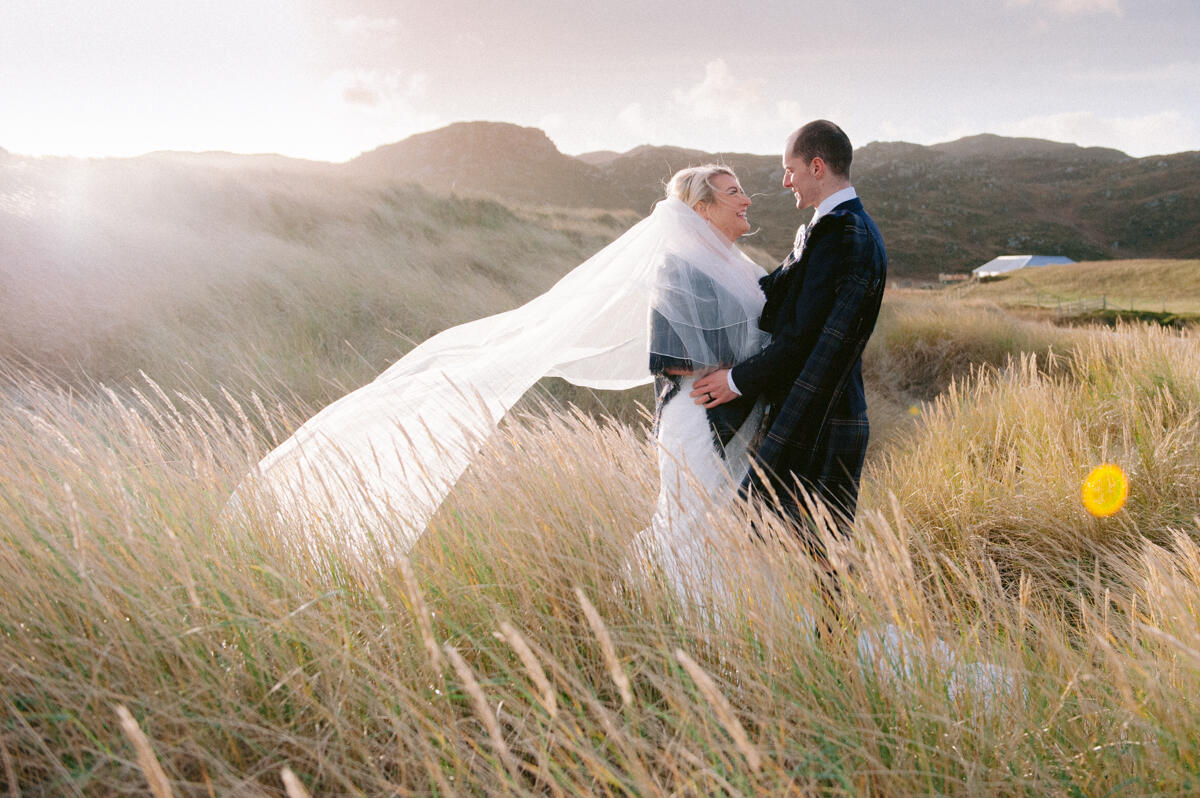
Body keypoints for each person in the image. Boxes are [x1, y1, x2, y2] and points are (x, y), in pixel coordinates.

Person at [236, 165, 768, 559]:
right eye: (733, 191)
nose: (746, 197)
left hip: (734, 409)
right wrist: (743, 370)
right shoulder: (677, 267)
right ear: (700, 209)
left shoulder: (737, 267)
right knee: (693, 520)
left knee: (723, 522)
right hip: (698, 415)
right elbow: (671, 356)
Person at [691, 120, 888, 554]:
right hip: (822, 417)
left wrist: (733, 381)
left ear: (817, 167)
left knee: (814, 564)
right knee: (800, 559)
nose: (784, 181)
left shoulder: (843, 234)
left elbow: (801, 339)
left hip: (821, 422)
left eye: (790, 169)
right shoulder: (839, 227)